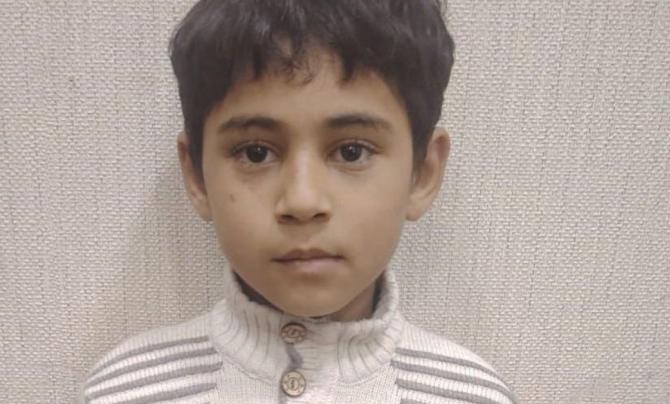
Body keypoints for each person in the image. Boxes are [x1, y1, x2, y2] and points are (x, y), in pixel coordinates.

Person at [80, 1, 519, 403]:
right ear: (197, 176)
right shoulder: (122, 392)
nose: (303, 201)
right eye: (256, 153)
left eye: (352, 152)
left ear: (422, 173)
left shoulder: (474, 395)